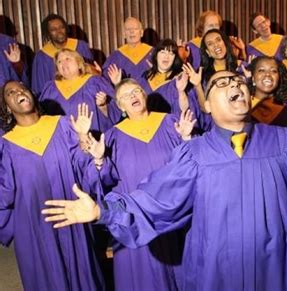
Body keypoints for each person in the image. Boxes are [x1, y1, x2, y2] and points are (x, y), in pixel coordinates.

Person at [42, 69, 287, 291]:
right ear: (207, 105)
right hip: (216, 271)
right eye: (222, 84)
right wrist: (101, 211)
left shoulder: (284, 142)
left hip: (277, 266)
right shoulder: (192, 154)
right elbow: (152, 202)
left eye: (238, 82)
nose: (236, 86)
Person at [75, 79, 195, 291]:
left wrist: (187, 138)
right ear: (120, 106)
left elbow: (192, 164)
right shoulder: (112, 136)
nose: (133, 96)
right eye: (126, 95)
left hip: (173, 212)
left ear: (145, 95)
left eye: (137, 91)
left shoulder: (170, 123)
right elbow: (103, 183)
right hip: (136, 216)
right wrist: (100, 160)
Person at [0, 81, 104, 290]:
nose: (19, 91)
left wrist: (84, 138)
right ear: (8, 108)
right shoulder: (6, 144)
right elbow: (4, 191)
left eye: (22, 88)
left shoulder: (63, 125)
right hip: (34, 224)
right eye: (11, 93)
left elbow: (83, 166)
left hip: (72, 215)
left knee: (82, 271)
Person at [40, 48, 120, 133]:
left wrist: (103, 106)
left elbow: (118, 108)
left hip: (93, 140)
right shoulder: (51, 88)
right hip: (63, 142)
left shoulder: (96, 82)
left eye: (67, 59)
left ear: (79, 64)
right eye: (59, 62)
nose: (63, 63)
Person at [32, 14, 94, 95]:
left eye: (61, 27)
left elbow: (91, 74)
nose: (59, 31)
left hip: (84, 95)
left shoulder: (80, 46)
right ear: (48, 33)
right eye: (53, 29)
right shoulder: (42, 57)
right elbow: (40, 88)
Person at [102, 17, 153, 83]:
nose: (132, 32)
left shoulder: (152, 53)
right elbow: (106, 78)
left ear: (141, 33)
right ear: (124, 34)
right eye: (128, 29)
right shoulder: (116, 56)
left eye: (135, 29)